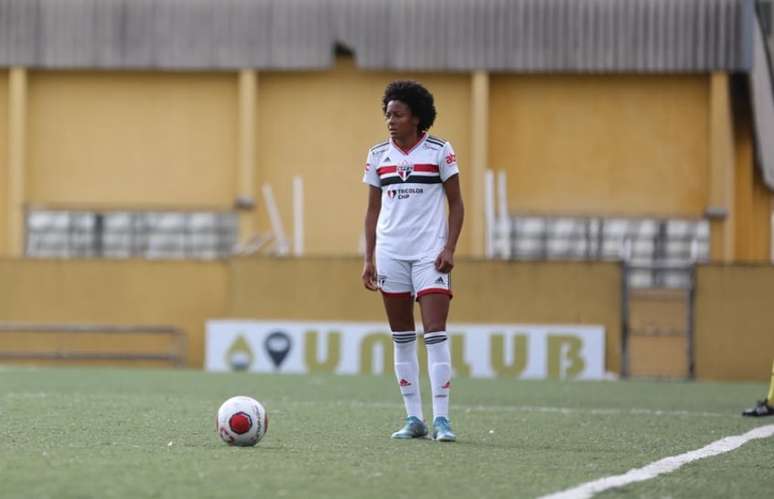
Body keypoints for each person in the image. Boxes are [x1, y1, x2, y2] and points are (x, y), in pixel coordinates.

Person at [361, 80, 464, 442]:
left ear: (417, 117)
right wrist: (369, 258)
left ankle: (442, 420)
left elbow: (457, 203)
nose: (390, 120)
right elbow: (372, 210)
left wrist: (450, 247)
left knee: (434, 332)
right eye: (387, 114)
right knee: (402, 337)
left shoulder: (439, 151)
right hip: (390, 254)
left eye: (398, 114)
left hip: (429, 253)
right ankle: (414, 418)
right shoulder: (377, 155)